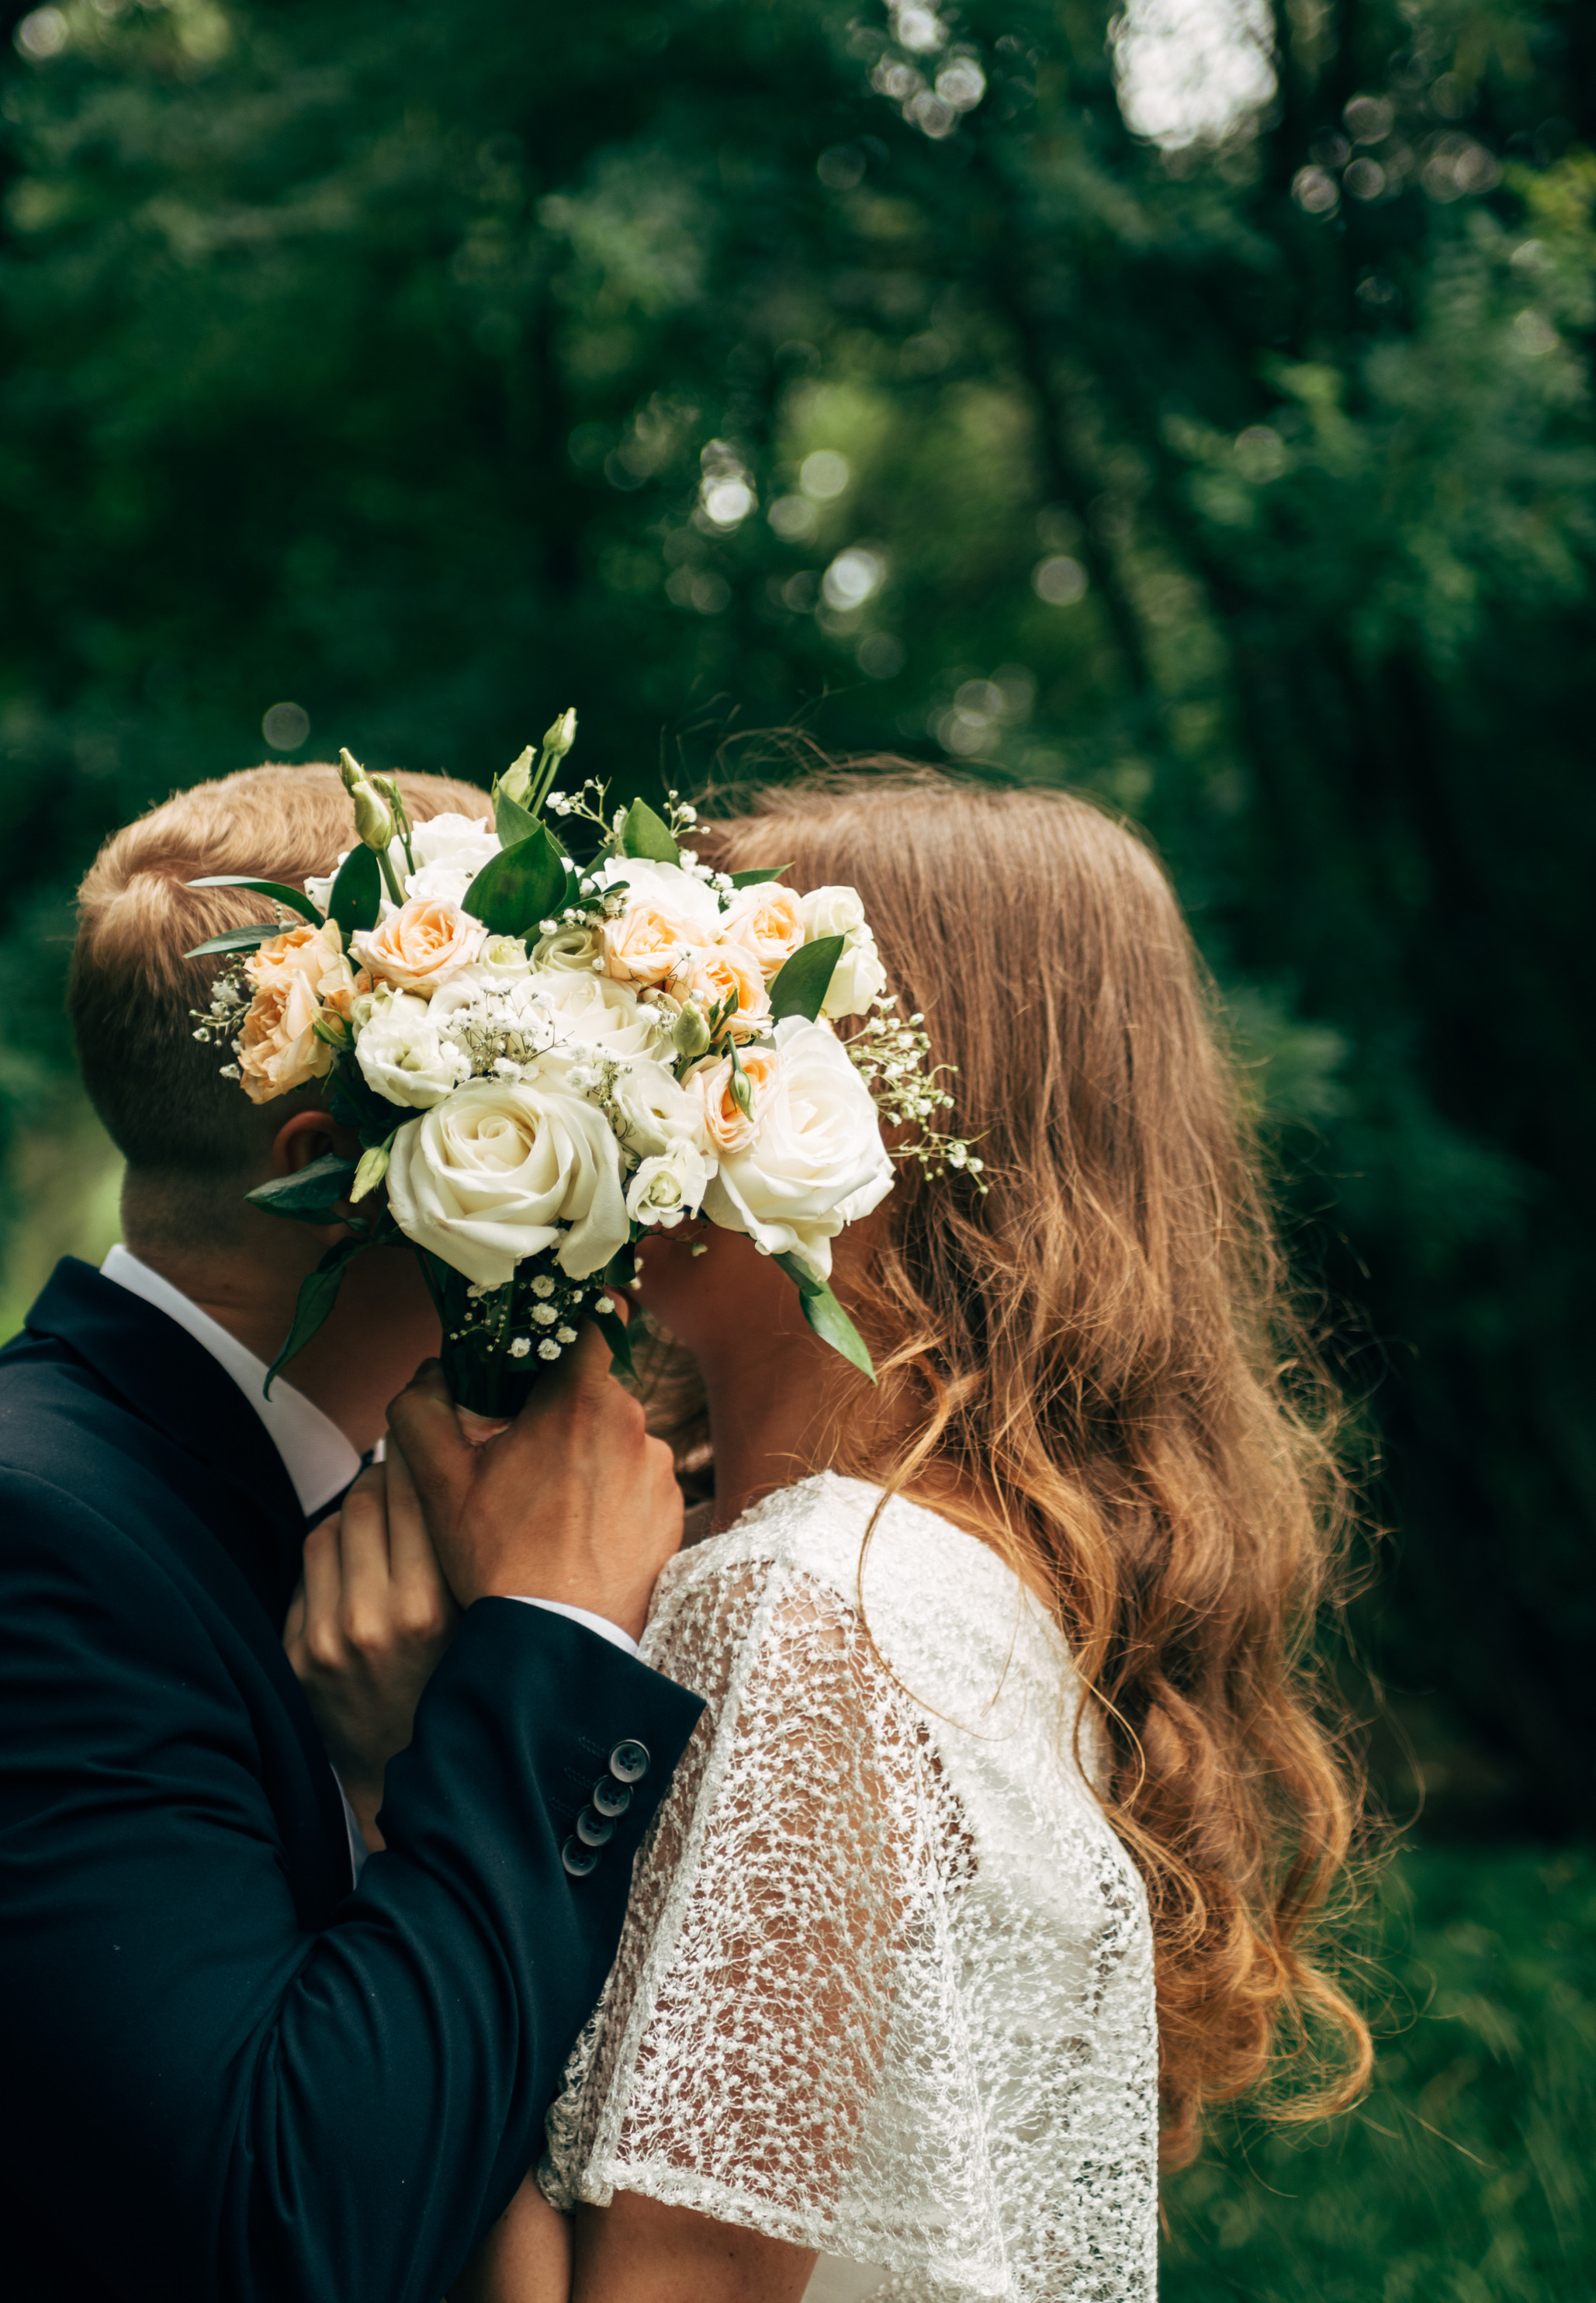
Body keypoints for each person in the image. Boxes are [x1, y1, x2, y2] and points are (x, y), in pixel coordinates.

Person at [0, 760, 702, 2303]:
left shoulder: (309, 1504)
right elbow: (288, 2228)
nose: (642, 1167)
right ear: (328, 1163)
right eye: (553, 1078)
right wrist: (553, 1656)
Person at [459, 766, 1372, 2303]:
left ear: (869, 1120)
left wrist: (404, 1788)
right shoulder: (968, 1593)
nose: (614, 1086)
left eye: (686, 1025)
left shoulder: (812, 1606)